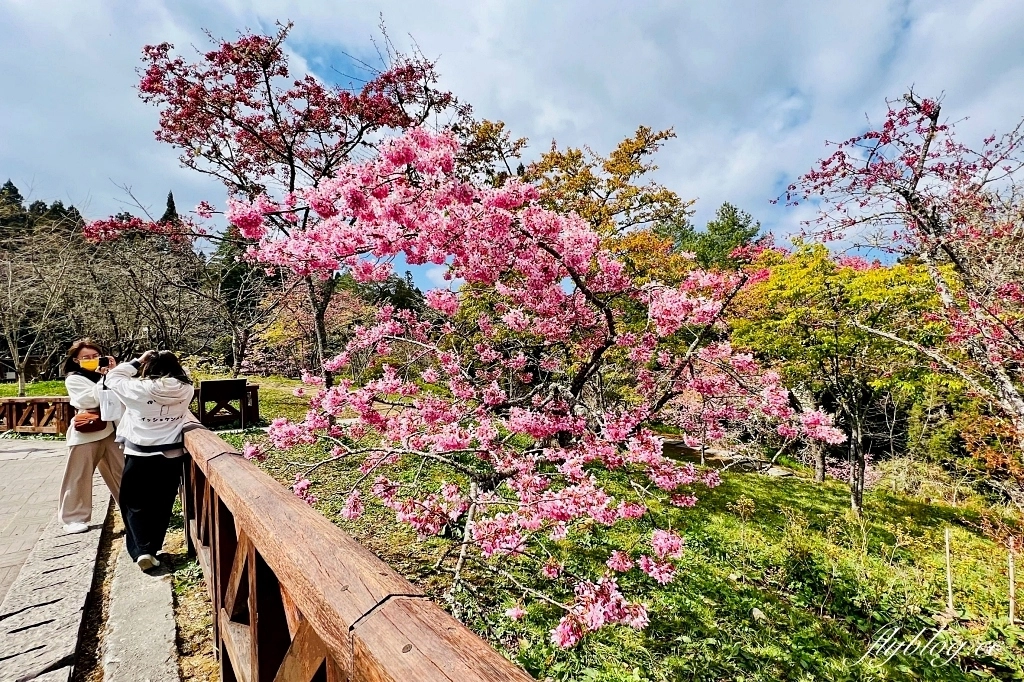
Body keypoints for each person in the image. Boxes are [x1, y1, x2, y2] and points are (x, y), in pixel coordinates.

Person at [105, 350, 196, 571]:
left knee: (133, 503)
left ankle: (142, 550)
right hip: (171, 456)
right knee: (162, 504)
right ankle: (152, 550)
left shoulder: (138, 389)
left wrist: (138, 361)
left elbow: (113, 377)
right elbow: (181, 376)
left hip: (139, 455)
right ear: (177, 368)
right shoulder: (187, 389)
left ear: (149, 368)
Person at [59, 339, 124, 534]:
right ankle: (73, 518)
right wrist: (105, 379)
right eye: (86, 357)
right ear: (76, 360)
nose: (92, 360)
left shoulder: (113, 374)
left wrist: (115, 373)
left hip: (114, 430)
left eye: (95, 356)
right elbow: (88, 400)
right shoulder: (74, 378)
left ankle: (132, 511)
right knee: (78, 475)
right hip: (88, 431)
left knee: (122, 472)